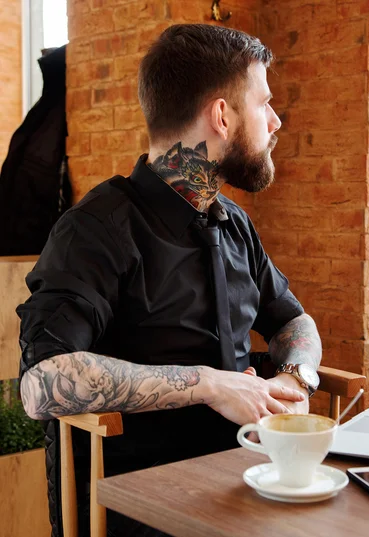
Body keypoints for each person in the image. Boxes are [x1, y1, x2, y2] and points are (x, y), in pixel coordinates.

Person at [17, 24, 322, 537]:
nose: (275, 121)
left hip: (251, 487)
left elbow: (293, 319)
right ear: (222, 115)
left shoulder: (234, 223)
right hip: (143, 508)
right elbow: (41, 384)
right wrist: (206, 384)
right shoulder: (96, 230)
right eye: (263, 103)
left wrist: (294, 378)